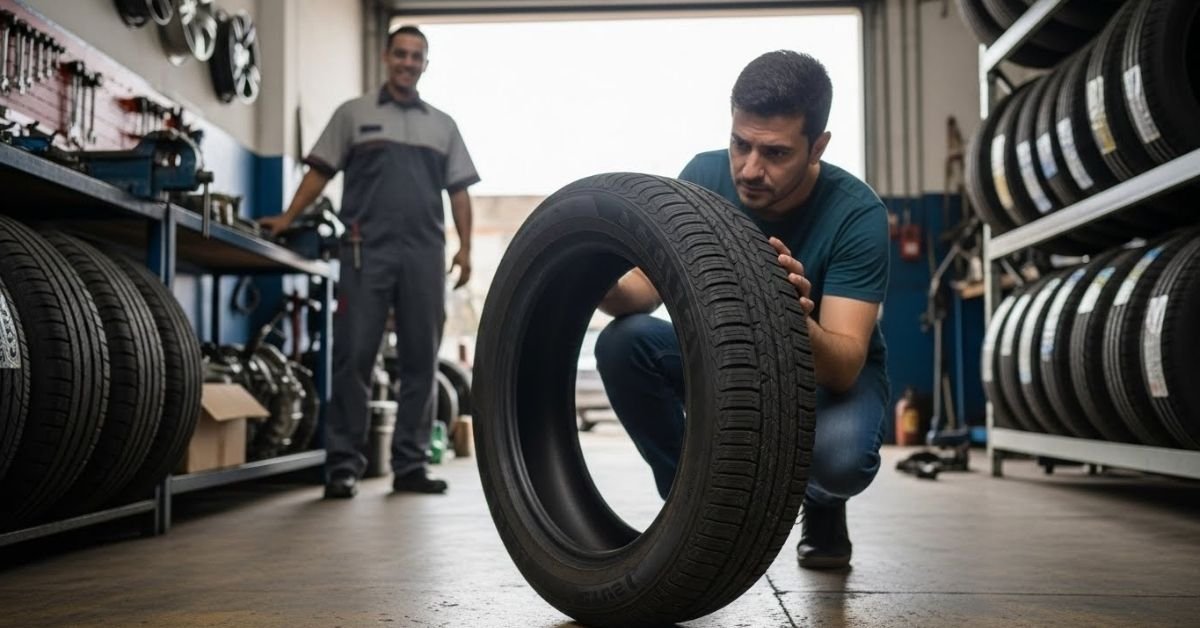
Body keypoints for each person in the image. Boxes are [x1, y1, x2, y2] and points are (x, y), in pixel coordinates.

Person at [595, 50, 889, 569]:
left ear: (817, 146)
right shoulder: (702, 178)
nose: (749, 169)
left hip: (821, 378)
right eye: (740, 144)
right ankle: (690, 500)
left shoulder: (856, 213)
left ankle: (821, 505)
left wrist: (790, 315)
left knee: (840, 461)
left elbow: (843, 366)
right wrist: (592, 274)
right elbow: (641, 290)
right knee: (624, 342)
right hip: (725, 357)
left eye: (775, 153)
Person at [259, 25, 479, 499]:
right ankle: (342, 465)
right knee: (354, 358)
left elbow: (459, 192)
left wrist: (465, 247)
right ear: (386, 57)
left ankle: (411, 466)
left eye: (416, 56)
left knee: (422, 361)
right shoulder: (353, 115)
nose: (407, 62)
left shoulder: (442, 126)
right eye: (400, 53)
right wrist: (288, 216)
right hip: (364, 251)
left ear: (425, 63)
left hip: (424, 255)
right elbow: (320, 170)